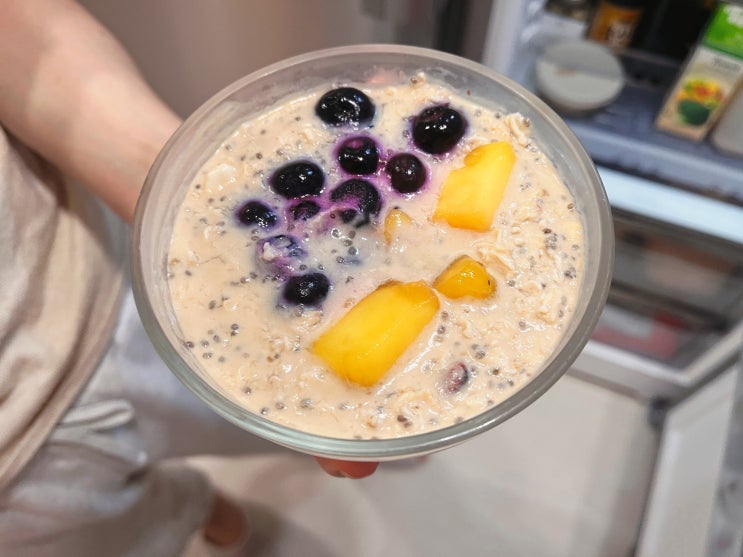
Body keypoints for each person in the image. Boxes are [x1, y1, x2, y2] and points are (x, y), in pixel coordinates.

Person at [0, 1, 377, 555]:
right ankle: (222, 527)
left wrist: (175, 194)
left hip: (119, 285)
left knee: (321, 433)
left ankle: (224, 519)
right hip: (14, 482)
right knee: (142, 532)